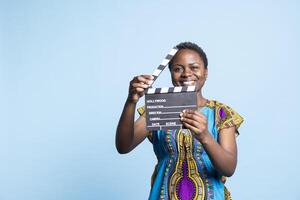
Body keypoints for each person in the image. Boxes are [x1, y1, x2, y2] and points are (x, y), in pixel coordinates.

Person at [115, 42, 244, 200]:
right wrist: (131, 101)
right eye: (178, 69)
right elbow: (123, 146)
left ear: (206, 72)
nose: (186, 74)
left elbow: (229, 168)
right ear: (170, 73)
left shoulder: (220, 113)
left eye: (194, 67)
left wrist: (205, 136)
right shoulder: (159, 108)